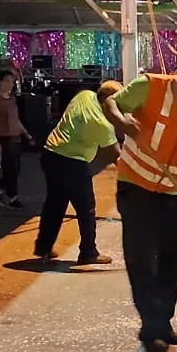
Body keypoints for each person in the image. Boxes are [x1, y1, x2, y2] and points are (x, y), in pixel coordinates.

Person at [102, 50, 177, 352]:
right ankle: (151, 326)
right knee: (143, 261)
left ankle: (162, 323)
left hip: (171, 193)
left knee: (172, 264)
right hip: (135, 187)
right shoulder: (150, 87)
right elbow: (110, 103)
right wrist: (121, 122)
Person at [34, 81, 122, 265]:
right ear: (107, 100)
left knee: (55, 203)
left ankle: (43, 247)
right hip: (71, 160)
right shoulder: (101, 123)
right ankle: (88, 252)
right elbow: (118, 158)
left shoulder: (84, 95)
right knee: (86, 208)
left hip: (50, 153)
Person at [0, 69, 31, 207]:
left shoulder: (12, 99)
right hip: (4, 138)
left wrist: (26, 133)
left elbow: (16, 119)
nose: (10, 84)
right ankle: (13, 197)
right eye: (7, 81)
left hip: (15, 137)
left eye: (12, 82)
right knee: (10, 168)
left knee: (15, 168)